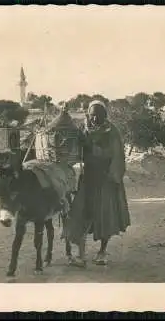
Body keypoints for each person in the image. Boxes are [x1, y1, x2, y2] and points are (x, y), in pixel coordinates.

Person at [66, 100, 131, 267]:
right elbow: (77, 150)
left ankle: (102, 252)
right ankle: (80, 256)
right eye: (92, 115)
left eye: (99, 115)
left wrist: (92, 147)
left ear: (105, 115)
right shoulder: (85, 129)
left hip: (106, 180)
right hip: (88, 179)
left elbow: (114, 154)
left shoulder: (112, 132)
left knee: (105, 218)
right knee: (81, 214)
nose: (95, 119)